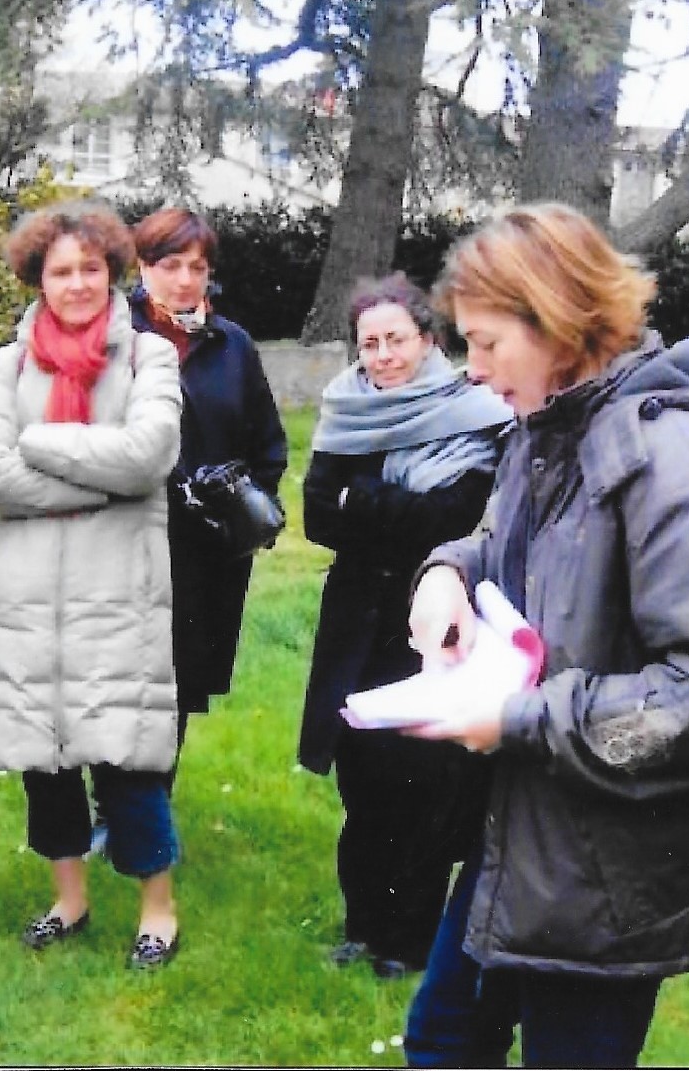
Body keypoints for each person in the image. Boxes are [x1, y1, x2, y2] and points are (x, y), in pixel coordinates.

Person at [400, 203, 689, 1068]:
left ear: (558, 319)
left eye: (486, 342)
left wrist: (518, 719)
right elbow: (510, 544)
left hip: (614, 873)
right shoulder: (546, 429)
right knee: (442, 1038)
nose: (472, 370)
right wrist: (447, 570)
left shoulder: (682, 463)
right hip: (526, 832)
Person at [0, 201, 185, 970]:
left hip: (116, 592)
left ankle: (158, 909)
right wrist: (96, 474)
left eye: (91, 267)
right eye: (62, 271)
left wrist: (37, 440)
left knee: (127, 759)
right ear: (38, 279)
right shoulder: (8, 364)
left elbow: (147, 454)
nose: (78, 283)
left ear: (113, 271)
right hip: (25, 598)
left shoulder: (149, 357)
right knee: (45, 760)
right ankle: (69, 898)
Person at [298, 272, 512, 980]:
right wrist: (390, 508)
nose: (384, 356)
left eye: (397, 339)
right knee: (361, 779)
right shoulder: (346, 410)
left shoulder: (476, 413)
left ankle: (409, 941)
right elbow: (318, 515)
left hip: (433, 618)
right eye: (370, 344)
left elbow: (453, 519)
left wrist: (364, 499)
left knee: (425, 782)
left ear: (427, 339)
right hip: (357, 621)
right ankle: (362, 927)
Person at [127, 207, 287, 769]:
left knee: (180, 681)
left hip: (206, 550)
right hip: (127, 540)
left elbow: (267, 441)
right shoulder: (115, 335)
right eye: (170, 265)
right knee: (120, 678)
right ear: (143, 266)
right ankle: (113, 799)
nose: (185, 280)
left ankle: (151, 799)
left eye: (197, 267)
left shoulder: (231, 344)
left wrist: (245, 503)